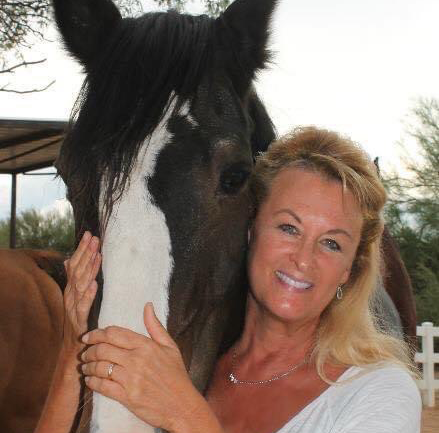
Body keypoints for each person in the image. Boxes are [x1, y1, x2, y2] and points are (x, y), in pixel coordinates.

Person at [36, 126, 421, 433]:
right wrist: (74, 347)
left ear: (349, 272)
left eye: (332, 244)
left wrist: (185, 415)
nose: (304, 259)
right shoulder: (188, 363)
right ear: (249, 230)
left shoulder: (378, 390)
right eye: (288, 227)